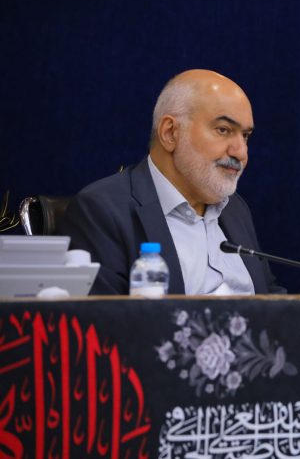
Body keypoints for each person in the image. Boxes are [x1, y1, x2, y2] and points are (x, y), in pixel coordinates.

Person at [61, 70, 283, 295]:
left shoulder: (235, 209)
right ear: (170, 133)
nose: (241, 152)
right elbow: (106, 315)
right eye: (223, 130)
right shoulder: (102, 211)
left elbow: (270, 297)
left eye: (245, 136)